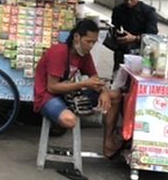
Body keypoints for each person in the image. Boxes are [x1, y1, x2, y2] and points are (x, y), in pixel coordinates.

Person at [33, 19, 123, 163]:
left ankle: (108, 143)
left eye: (94, 42)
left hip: (69, 95)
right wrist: (84, 83)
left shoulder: (85, 55)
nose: (91, 46)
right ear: (77, 37)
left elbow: (95, 78)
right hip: (48, 97)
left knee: (115, 95)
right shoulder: (59, 51)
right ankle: (83, 111)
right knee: (70, 121)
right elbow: (52, 87)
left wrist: (104, 91)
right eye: (88, 41)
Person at [111, 0, 158, 69]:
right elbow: (114, 27)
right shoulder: (118, 10)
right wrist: (117, 36)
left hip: (142, 51)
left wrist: (135, 38)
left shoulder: (148, 12)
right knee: (118, 75)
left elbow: (153, 35)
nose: (129, 2)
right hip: (122, 50)